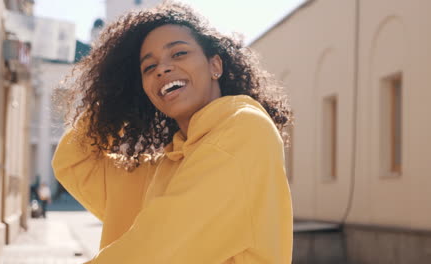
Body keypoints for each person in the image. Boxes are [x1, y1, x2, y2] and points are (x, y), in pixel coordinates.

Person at [52, 2, 293, 263]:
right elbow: (73, 160)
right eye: (148, 68)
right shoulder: (169, 165)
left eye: (178, 53)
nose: (162, 69)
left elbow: (152, 252)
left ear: (215, 66)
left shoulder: (244, 129)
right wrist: (123, 98)